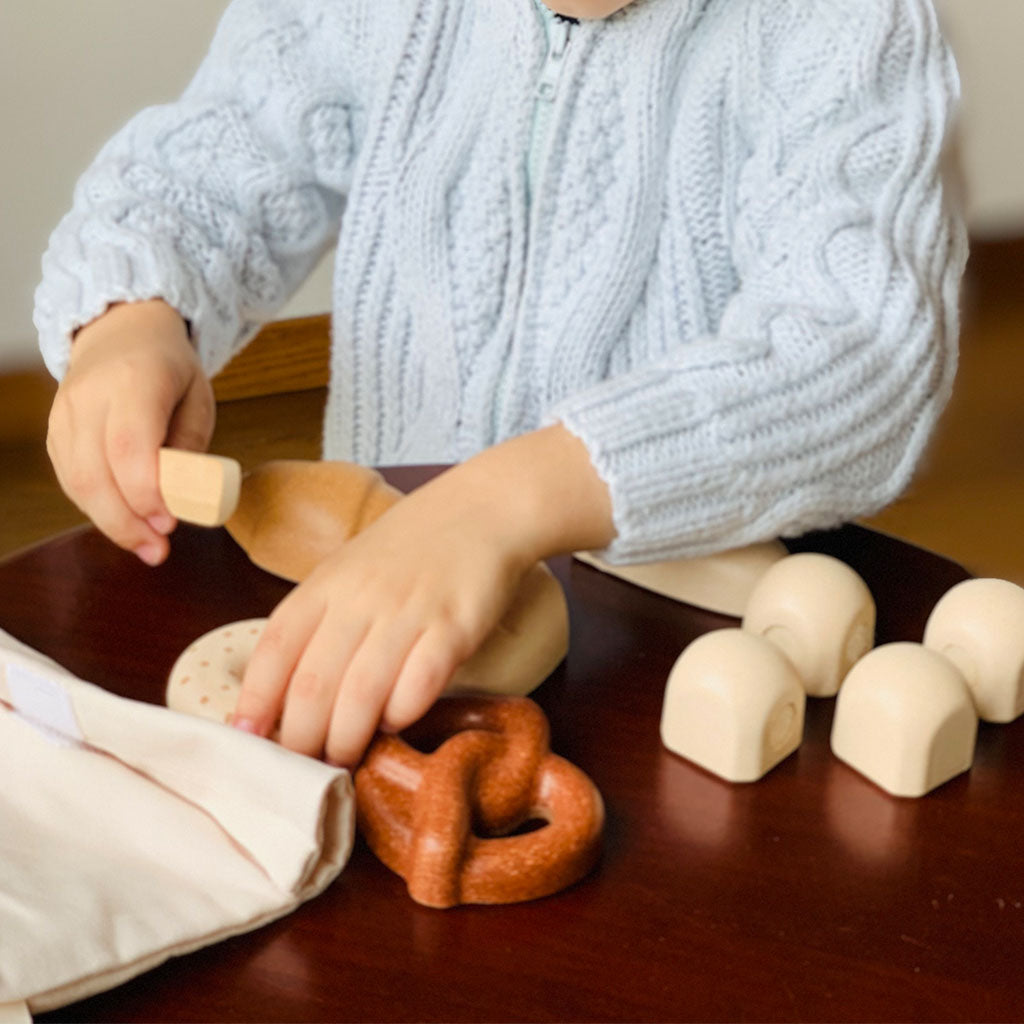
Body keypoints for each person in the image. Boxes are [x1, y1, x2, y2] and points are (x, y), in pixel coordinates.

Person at [35, 0, 967, 766]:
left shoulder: (843, 26)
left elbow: (859, 349)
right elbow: (210, 167)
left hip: (670, 673)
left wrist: (503, 503)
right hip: (372, 612)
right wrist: (131, 318)